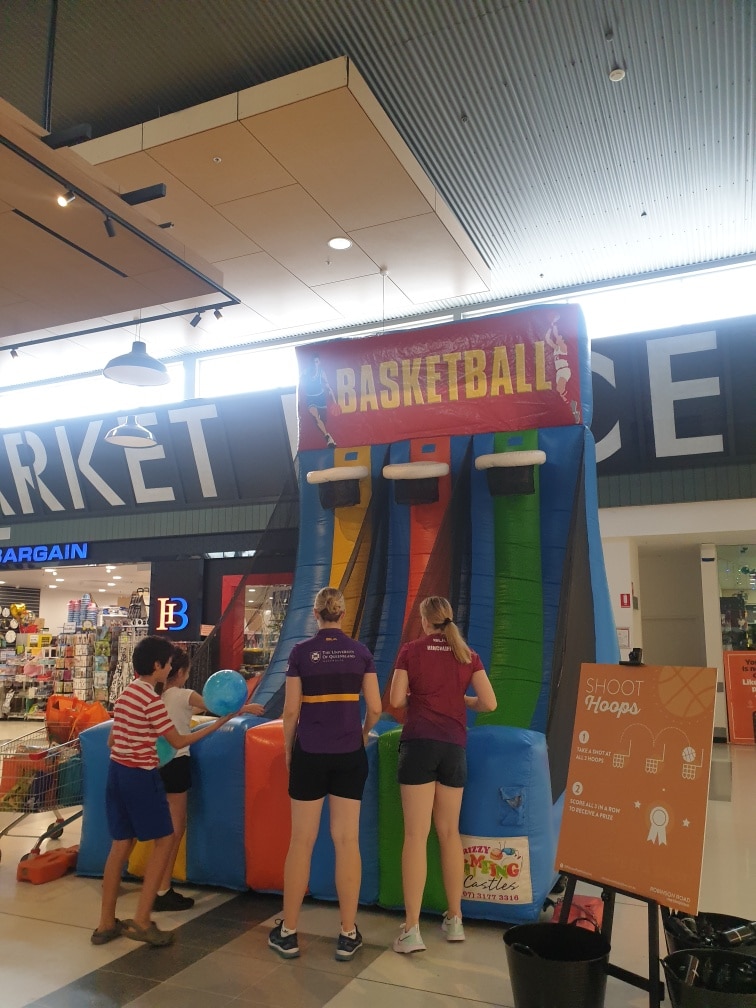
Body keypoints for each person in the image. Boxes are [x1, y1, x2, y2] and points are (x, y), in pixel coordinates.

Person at [92, 636, 241, 948]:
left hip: (116, 775)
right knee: (165, 840)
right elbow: (178, 742)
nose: (172, 668)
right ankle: (143, 919)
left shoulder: (126, 695)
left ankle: (106, 923)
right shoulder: (150, 700)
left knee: (119, 847)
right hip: (141, 777)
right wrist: (220, 722)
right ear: (158, 666)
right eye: (169, 663)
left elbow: (111, 742)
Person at [268, 587, 382, 962]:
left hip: (310, 755)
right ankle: (348, 933)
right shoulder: (361, 653)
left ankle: (288, 932)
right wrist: (362, 734)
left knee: (301, 841)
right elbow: (377, 708)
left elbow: (290, 712)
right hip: (350, 753)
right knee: (346, 841)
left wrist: (288, 750)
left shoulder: (301, 654)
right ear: (342, 614)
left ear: (315, 614)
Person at [389, 596, 497, 953]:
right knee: (449, 834)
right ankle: (454, 919)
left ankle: (412, 928)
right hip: (454, 748)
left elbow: (397, 700)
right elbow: (490, 703)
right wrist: (461, 700)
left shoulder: (410, 651)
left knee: (416, 837)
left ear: (424, 620)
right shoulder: (468, 654)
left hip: (419, 744)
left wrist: (422, 697)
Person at [153, 649, 266, 912]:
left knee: (165, 829)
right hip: (177, 762)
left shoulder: (161, 696)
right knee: (175, 829)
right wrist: (245, 707)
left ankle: (159, 886)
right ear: (181, 673)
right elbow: (216, 706)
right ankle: (162, 889)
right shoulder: (183, 694)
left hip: (159, 763)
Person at [301, 355, 338, 447]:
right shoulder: (305, 372)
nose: (315, 364)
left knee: (323, 420)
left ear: (319, 363)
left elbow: (328, 386)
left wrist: (335, 401)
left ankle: (327, 436)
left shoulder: (321, 372)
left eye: (317, 362)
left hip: (320, 397)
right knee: (316, 416)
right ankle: (328, 437)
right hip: (310, 398)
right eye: (313, 362)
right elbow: (299, 385)